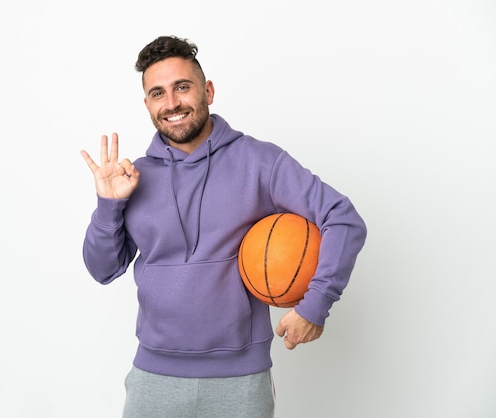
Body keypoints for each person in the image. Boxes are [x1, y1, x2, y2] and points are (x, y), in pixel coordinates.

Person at [80, 35, 367, 418]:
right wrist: (108, 205)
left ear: (208, 91)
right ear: (147, 104)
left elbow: (342, 218)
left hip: (240, 381)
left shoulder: (260, 162)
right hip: (153, 376)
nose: (172, 103)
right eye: (158, 93)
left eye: (182, 87)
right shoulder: (135, 177)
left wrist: (316, 305)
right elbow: (102, 270)